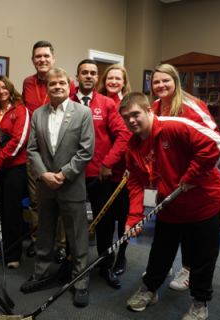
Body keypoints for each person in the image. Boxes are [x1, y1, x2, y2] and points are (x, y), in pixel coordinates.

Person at [120, 92, 220, 320]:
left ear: (149, 111)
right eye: (126, 117)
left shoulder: (175, 126)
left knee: (202, 257)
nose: (131, 121)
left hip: (205, 203)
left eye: (136, 114)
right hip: (170, 207)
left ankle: (200, 302)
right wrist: (134, 216)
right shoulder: (131, 148)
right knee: (160, 251)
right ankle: (150, 288)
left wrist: (192, 175)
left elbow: (215, 144)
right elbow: (137, 184)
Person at [22, 68, 94, 308]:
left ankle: (80, 281)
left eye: (61, 83)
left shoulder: (82, 112)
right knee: (44, 232)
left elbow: (86, 151)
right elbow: (32, 149)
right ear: (47, 87)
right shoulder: (38, 114)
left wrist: (62, 175)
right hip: (45, 185)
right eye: (52, 83)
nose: (57, 87)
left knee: (77, 236)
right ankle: (40, 272)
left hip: (71, 185)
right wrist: (44, 174)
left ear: (69, 85)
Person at [150, 63, 220, 291]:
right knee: (166, 240)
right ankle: (161, 272)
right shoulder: (153, 108)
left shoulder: (193, 106)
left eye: (165, 81)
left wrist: (192, 176)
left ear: (175, 81)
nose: (160, 85)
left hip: (198, 187)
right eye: (156, 82)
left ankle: (188, 272)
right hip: (170, 187)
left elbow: (215, 144)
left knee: (196, 239)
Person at [71, 60, 130, 289]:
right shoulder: (66, 101)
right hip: (71, 175)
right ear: (77, 76)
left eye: (93, 73)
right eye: (84, 72)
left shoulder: (106, 104)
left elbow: (123, 135)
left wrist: (108, 164)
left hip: (99, 175)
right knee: (73, 223)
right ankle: (74, 264)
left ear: (98, 78)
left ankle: (106, 266)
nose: (88, 76)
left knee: (104, 224)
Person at [22, 40, 76, 262]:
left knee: (61, 201)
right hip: (35, 151)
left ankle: (61, 244)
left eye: (46, 56)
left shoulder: (65, 82)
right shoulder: (27, 83)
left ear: (53, 58)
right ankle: (39, 240)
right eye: (37, 56)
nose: (42, 59)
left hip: (60, 151)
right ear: (33, 60)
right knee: (37, 201)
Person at [0, 75, 30, 268]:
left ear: (10, 89)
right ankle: (6, 246)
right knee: (0, 209)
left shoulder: (20, 110)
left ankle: (14, 254)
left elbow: (19, 141)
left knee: (12, 212)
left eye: (4, 88)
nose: (1, 91)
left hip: (13, 167)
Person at [96, 64, 132, 276]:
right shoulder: (97, 102)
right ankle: (107, 255)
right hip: (102, 170)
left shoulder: (128, 104)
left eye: (118, 79)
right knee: (105, 217)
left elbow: (135, 138)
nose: (113, 82)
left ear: (124, 82)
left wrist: (131, 166)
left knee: (123, 217)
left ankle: (122, 254)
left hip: (124, 170)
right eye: (110, 78)